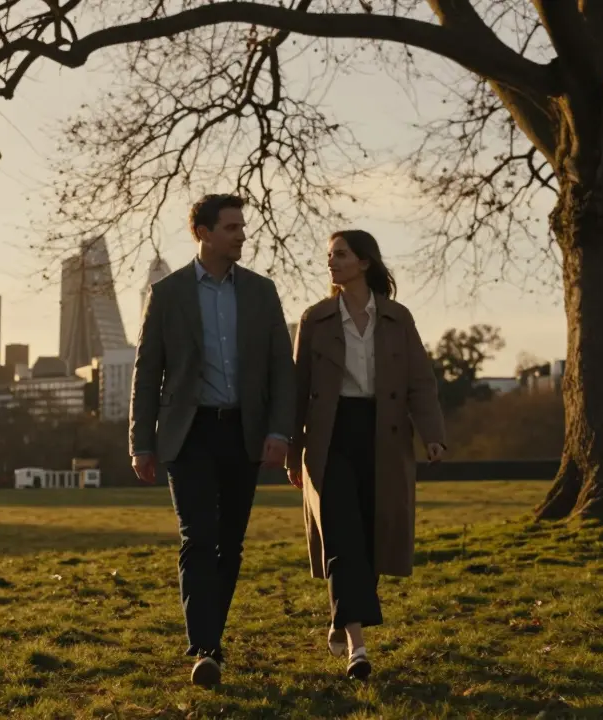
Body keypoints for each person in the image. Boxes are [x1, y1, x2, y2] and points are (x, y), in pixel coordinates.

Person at [129, 193, 296, 688]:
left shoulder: (262, 293)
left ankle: (211, 642)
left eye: (243, 227)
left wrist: (279, 431)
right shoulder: (169, 293)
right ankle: (205, 647)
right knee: (198, 539)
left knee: (230, 544)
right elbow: (147, 373)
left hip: (244, 432)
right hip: (189, 433)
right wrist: (141, 441)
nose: (241, 235)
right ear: (202, 232)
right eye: (230, 227)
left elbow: (281, 371)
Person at [286, 229, 446, 680]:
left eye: (340, 254)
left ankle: (342, 613)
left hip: (384, 435)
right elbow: (297, 392)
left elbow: (421, 382)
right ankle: (358, 646)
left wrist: (432, 434)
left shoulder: (397, 317)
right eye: (329, 255)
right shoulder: (314, 319)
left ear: (365, 262)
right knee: (341, 535)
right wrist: (292, 451)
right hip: (328, 438)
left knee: (372, 538)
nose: (331, 262)